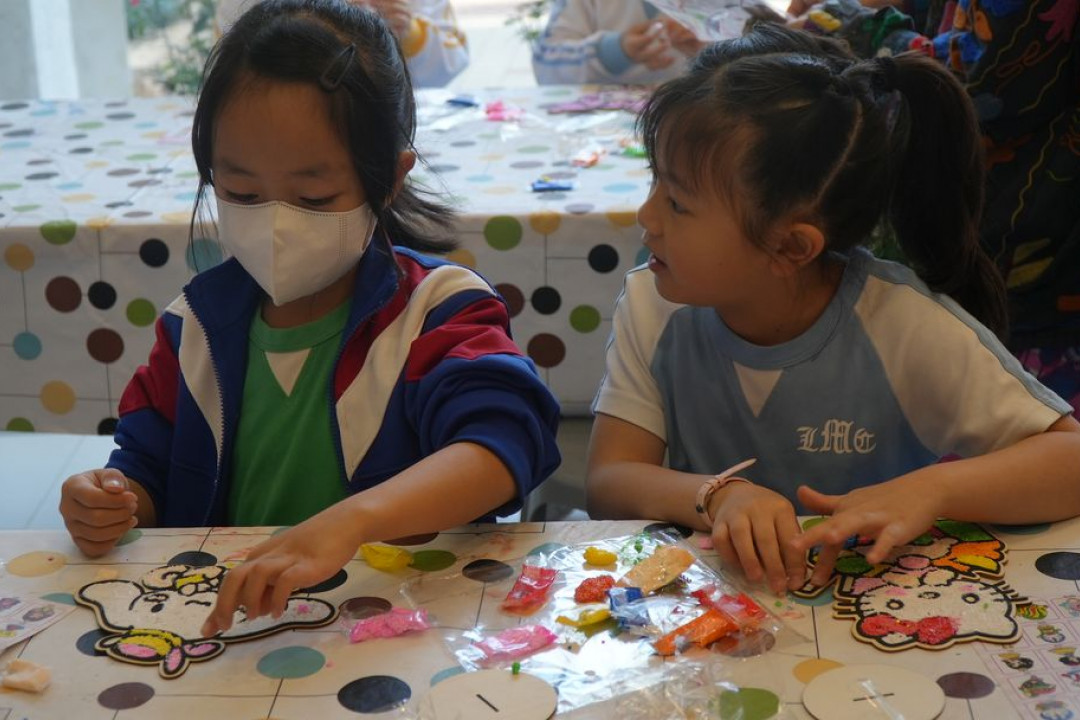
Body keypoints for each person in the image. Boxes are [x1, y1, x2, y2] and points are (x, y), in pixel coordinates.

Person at [59, 0, 560, 636]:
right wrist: (110, 500)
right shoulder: (192, 330)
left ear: (390, 178)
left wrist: (354, 520)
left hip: (399, 630)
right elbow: (146, 468)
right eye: (241, 194)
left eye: (314, 198)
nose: (276, 223)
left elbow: (503, 445)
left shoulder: (437, 311)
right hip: (236, 633)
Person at [585, 23, 1080, 598]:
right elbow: (608, 481)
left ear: (791, 248)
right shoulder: (654, 302)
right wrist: (717, 495)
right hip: (713, 614)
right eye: (655, 182)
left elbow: (1068, 459)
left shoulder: (899, 323)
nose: (646, 217)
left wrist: (932, 490)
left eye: (676, 202)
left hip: (880, 612)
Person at [783, 0, 1080, 416]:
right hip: (984, 240)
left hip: (1025, 258)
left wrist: (850, 23)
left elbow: (976, 81)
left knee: (1005, 412)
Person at [216, 0, 469, 87]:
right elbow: (226, 72)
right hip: (278, 129)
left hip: (396, 131)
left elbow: (453, 60)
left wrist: (410, 33)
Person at [531, 0, 708, 85]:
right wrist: (615, 51)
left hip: (689, 123)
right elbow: (546, 66)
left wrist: (707, 50)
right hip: (596, 127)